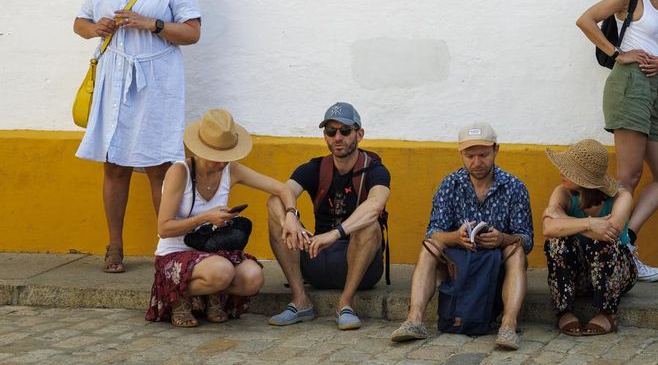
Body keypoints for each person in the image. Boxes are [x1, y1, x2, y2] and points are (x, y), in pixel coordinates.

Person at [73, 0, 202, 273]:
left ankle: (169, 247)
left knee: (160, 165)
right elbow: (78, 23)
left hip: (156, 81)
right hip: (115, 79)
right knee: (114, 166)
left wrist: (152, 23)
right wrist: (94, 28)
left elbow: (192, 32)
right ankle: (115, 246)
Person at [575, 0, 658, 282]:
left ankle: (624, 243)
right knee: (629, 177)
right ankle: (609, 252)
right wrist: (616, 53)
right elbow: (586, 20)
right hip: (629, 87)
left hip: (651, 91)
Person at [390, 122, 533, 350]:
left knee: (515, 251)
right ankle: (414, 320)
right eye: (470, 156)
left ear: (496, 150)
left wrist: (502, 239)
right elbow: (434, 232)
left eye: (483, 155)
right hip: (458, 264)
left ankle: (508, 325)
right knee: (429, 246)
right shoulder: (450, 184)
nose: (476, 162)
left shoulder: (514, 187)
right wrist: (456, 237)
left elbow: (526, 239)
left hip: (496, 265)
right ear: (461, 154)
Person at [146, 109, 294, 327]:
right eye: (217, 157)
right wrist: (205, 217)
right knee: (222, 271)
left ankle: (209, 294)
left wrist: (291, 215)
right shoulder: (180, 172)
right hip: (175, 253)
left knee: (253, 277)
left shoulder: (230, 170)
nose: (222, 163)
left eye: (227, 155)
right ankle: (178, 296)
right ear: (200, 150)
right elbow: (164, 228)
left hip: (213, 252)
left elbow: (281, 188)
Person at [267, 102, 391, 330]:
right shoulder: (315, 167)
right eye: (331, 131)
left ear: (359, 134)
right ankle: (300, 299)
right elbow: (281, 193)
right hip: (317, 258)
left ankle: (345, 304)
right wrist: (291, 215)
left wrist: (335, 234)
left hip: (360, 266)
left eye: (345, 131)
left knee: (369, 223)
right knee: (276, 205)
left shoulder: (375, 170)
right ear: (325, 136)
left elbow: (375, 205)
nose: (338, 137)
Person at [542, 139, 637, 336]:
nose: (561, 172)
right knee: (557, 242)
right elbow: (548, 228)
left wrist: (565, 222)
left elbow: (610, 233)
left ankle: (607, 313)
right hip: (579, 276)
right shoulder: (563, 192)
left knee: (604, 244)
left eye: (569, 170)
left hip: (616, 274)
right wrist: (589, 223)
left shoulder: (621, 198)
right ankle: (564, 311)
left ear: (586, 179)